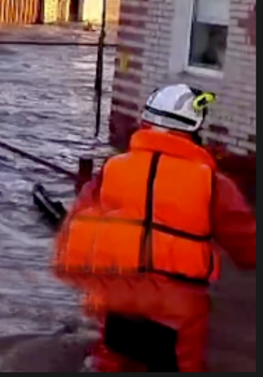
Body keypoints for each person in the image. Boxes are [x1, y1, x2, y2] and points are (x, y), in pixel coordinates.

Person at [53, 84, 256, 373]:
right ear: (195, 127)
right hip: (178, 309)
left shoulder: (112, 169)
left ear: (146, 122)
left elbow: (75, 225)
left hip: (120, 298)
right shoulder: (214, 184)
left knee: (112, 361)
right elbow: (247, 247)